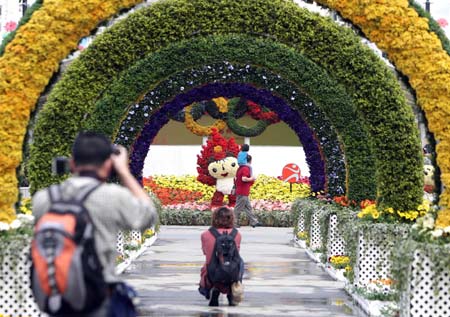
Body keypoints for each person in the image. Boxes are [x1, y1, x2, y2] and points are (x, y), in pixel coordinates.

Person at [32, 131, 158, 317]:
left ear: (72, 163)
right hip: (98, 297)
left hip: (55, 295)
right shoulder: (112, 196)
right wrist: (124, 172)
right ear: (108, 164)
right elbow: (148, 216)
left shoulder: (44, 198)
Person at [199, 207, 244, 307]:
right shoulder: (237, 234)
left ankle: (212, 289)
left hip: (213, 273)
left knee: (207, 265)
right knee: (240, 262)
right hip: (232, 274)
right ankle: (232, 291)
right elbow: (236, 254)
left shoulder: (205, 234)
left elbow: (206, 253)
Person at [234, 155, 260, 228]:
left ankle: (254, 221)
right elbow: (244, 179)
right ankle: (233, 223)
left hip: (242, 191)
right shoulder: (246, 168)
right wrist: (252, 178)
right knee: (238, 208)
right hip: (243, 191)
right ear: (250, 161)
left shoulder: (240, 168)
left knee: (248, 207)